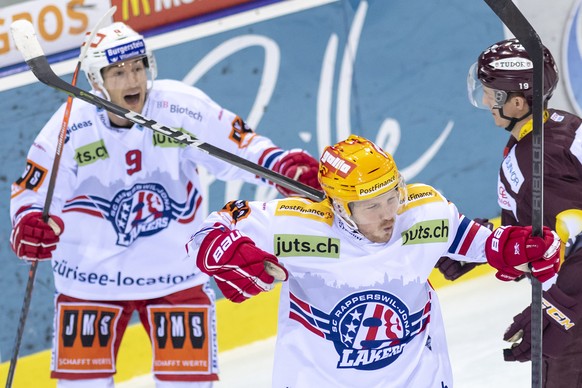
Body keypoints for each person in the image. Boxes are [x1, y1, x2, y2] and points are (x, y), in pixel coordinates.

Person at [9, 22, 321, 388]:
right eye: (119, 72)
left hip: (176, 273)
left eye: (138, 67)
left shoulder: (180, 107)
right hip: (90, 281)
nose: (132, 80)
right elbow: (34, 189)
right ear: (97, 80)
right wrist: (30, 222)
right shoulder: (70, 126)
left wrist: (282, 166)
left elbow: (243, 148)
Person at [186, 134, 560, 387]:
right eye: (371, 205)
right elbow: (204, 233)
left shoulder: (423, 210)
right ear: (340, 208)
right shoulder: (294, 224)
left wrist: (526, 250)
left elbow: (485, 244)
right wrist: (234, 254)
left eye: (391, 196)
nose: (389, 214)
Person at [468, 37, 582, 386]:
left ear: (517, 102)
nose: (485, 100)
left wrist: (559, 309)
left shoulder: (537, 160)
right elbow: (544, 232)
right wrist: (487, 245)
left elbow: (574, 241)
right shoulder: (560, 124)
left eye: (491, 93)